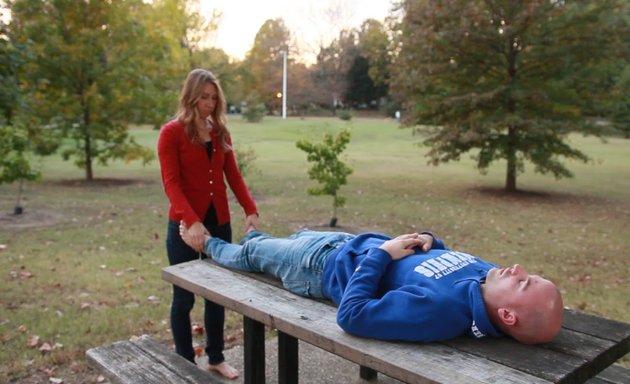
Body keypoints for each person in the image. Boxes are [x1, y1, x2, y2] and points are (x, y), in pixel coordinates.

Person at [179, 224, 564, 345]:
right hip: (347, 241)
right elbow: (438, 258)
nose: (515, 268)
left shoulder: (444, 312)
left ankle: (207, 243)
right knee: (277, 239)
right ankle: (258, 236)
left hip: (318, 266)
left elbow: (352, 315)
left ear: (508, 315)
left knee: (251, 256)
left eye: (524, 282)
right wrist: (429, 239)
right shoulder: (487, 278)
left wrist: (382, 254)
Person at [157, 68, 259, 379]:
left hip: (220, 224)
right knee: (183, 297)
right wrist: (193, 221)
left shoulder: (219, 133)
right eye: (203, 97)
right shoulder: (171, 133)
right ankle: (185, 362)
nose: (209, 103)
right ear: (190, 96)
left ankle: (215, 357)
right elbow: (171, 184)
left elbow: (234, 176)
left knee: (216, 295)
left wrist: (250, 210)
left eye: (214, 98)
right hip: (185, 229)